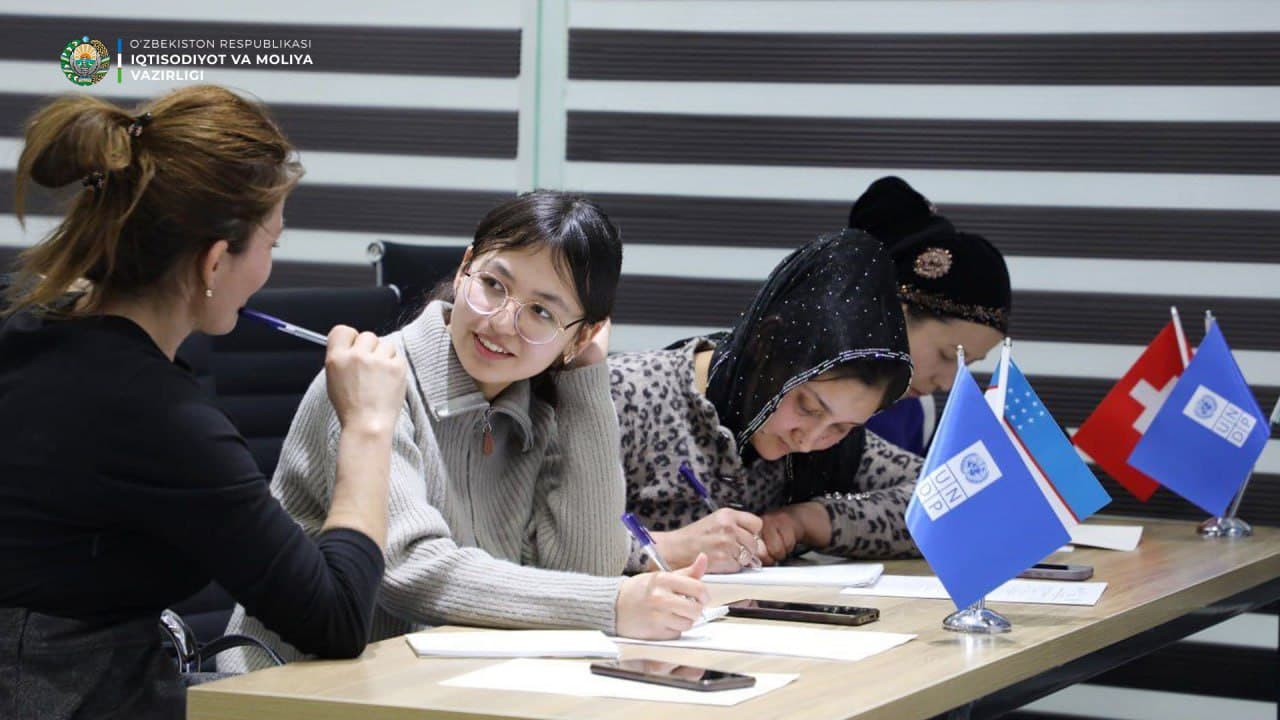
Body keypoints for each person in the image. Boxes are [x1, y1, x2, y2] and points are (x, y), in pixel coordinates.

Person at [0, 86, 406, 720]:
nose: (270, 262)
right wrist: (368, 424)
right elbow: (338, 615)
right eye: (272, 242)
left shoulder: (18, 316)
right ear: (216, 262)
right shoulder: (161, 421)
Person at [224, 191, 709, 672]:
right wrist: (612, 604)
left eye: (542, 312)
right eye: (494, 285)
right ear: (464, 269)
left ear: (580, 335)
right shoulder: (371, 382)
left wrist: (586, 377)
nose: (502, 322)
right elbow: (410, 568)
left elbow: (586, 570)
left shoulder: (537, 409)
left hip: (427, 689)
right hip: (289, 688)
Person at [609, 229, 919, 574]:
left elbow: (949, 501)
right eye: (808, 407)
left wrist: (809, 521)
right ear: (765, 346)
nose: (809, 441)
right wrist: (669, 548)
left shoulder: (827, 445)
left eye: (843, 427)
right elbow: (548, 539)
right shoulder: (626, 394)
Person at [850, 176, 1012, 455]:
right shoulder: (791, 390)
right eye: (948, 355)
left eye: (966, 365)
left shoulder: (918, 409)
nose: (947, 383)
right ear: (894, 315)